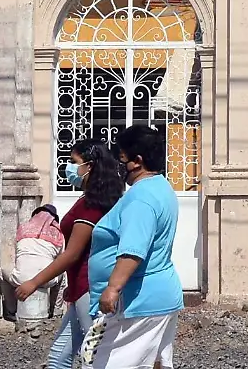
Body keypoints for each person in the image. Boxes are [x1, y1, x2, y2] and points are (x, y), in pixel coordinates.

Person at [16, 141, 127, 369]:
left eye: (74, 162)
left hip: (88, 287)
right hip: (80, 288)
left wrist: (35, 282)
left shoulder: (91, 205)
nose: (69, 167)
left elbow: (73, 253)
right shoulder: (89, 200)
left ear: (90, 166)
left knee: (93, 356)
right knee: (60, 355)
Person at [86, 123, 181, 369]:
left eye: (122, 159)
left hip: (137, 301)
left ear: (137, 161)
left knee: (97, 361)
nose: (118, 166)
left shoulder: (141, 198)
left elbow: (133, 249)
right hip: (157, 296)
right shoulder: (161, 187)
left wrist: (112, 288)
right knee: (153, 362)